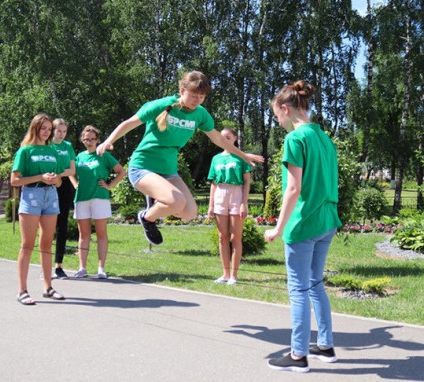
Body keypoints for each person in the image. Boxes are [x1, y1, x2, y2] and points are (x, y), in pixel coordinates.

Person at [96, 71, 264, 245]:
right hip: (142, 167)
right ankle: (147, 217)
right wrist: (108, 141)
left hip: (168, 170)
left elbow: (218, 138)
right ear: (182, 90)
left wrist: (242, 155)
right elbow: (129, 123)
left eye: (201, 96)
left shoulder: (200, 114)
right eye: (193, 95)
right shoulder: (162, 105)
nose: (197, 100)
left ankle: (155, 205)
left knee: (190, 212)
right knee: (176, 201)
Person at [264, 81, 341, 373]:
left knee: (297, 288)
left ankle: (298, 356)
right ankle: (325, 345)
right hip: (327, 221)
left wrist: (278, 227)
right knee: (315, 284)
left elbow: (293, 189)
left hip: (304, 223)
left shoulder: (295, 140)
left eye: (277, 116)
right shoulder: (324, 138)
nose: (279, 122)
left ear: (285, 109)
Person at [10, 113, 66, 306]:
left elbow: (59, 180)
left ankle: (48, 287)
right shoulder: (25, 151)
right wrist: (40, 177)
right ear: (35, 128)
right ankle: (22, 290)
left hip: (51, 196)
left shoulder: (53, 151)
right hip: (31, 196)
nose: (47, 132)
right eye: (43, 128)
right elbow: (15, 181)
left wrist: (53, 179)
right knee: (27, 245)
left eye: (49, 129)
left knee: (47, 244)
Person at [70, 125, 125, 279]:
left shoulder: (103, 155)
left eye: (93, 139)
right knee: (84, 234)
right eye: (87, 139)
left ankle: (101, 268)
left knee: (101, 234)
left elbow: (121, 171)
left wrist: (110, 185)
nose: (90, 142)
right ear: (82, 140)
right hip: (81, 198)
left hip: (99, 198)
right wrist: (75, 183)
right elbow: (70, 171)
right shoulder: (79, 156)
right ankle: (82, 268)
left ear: (97, 140)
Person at [207, 127, 252, 285]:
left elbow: (247, 182)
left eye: (228, 137)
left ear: (234, 138)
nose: (224, 140)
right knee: (222, 237)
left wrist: (243, 203)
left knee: (235, 237)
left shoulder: (241, 158)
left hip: (236, 194)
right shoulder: (215, 159)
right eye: (222, 137)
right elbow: (213, 183)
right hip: (220, 193)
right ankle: (225, 273)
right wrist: (210, 205)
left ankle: (234, 275)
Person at [50, 118, 76, 279]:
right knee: (47, 226)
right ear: (53, 130)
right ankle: (44, 266)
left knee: (62, 226)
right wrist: (58, 173)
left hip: (64, 187)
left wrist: (59, 173)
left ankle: (58, 266)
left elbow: (72, 170)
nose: (61, 134)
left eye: (64, 131)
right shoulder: (47, 146)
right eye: (59, 131)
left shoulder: (68, 146)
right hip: (49, 185)